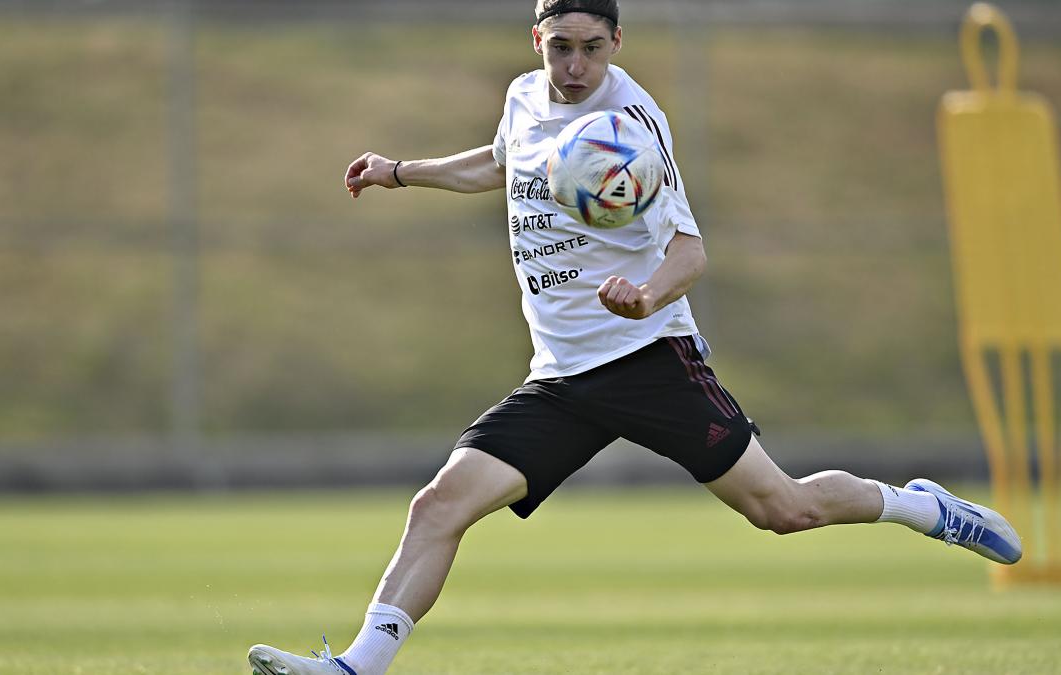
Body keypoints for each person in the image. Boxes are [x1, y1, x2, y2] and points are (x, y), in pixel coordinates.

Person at [248, 1, 1022, 673]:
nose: (575, 64)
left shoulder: (631, 126)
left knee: (784, 510)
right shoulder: (522, 100)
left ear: (617, 41)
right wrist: (399, 170)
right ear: (536, 40)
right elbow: (500, 162)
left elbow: (691, 251)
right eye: (561, 47)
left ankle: (919, 506)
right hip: (559, 376)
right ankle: (357, 666)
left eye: (591, 47)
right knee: (439, 502)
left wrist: (644, 294)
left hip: (648, 357)